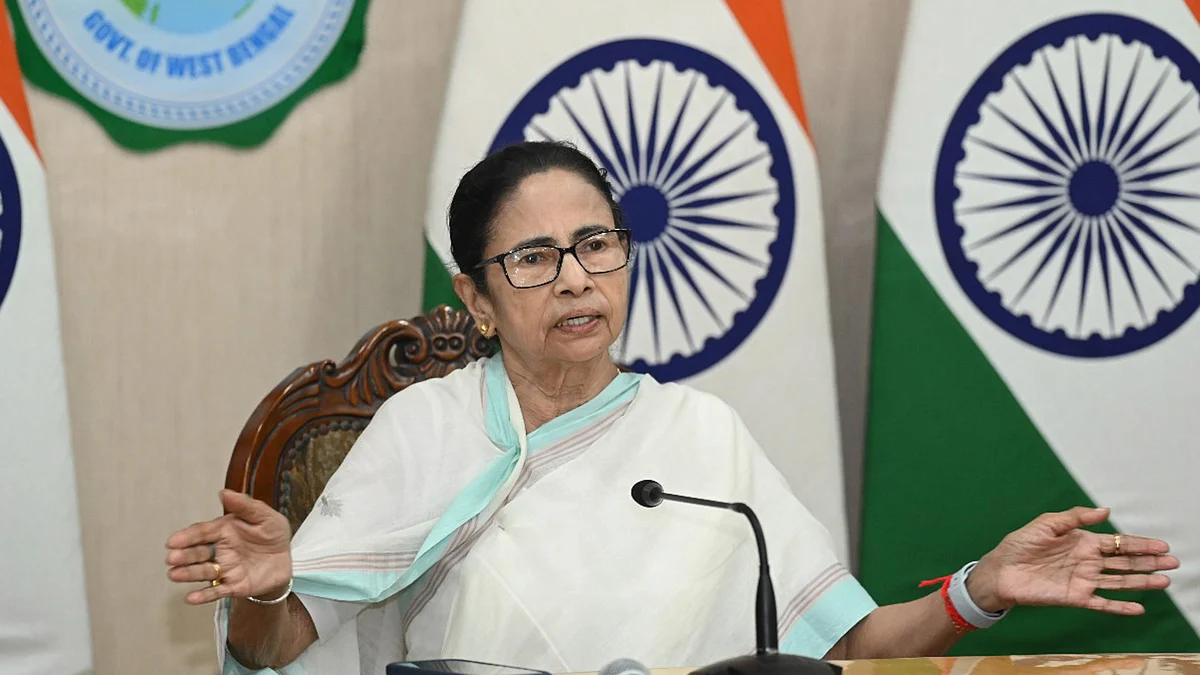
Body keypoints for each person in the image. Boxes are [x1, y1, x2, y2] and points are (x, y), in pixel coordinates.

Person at [165, 141, 1178, 675]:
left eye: (597, 243)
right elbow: (283, 646)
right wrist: (260, 588)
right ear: (475, 298)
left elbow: (844, 649)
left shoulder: (700, 438)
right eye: (533, 258)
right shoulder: (425, 429)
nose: (575, 280)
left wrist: (980, 588)